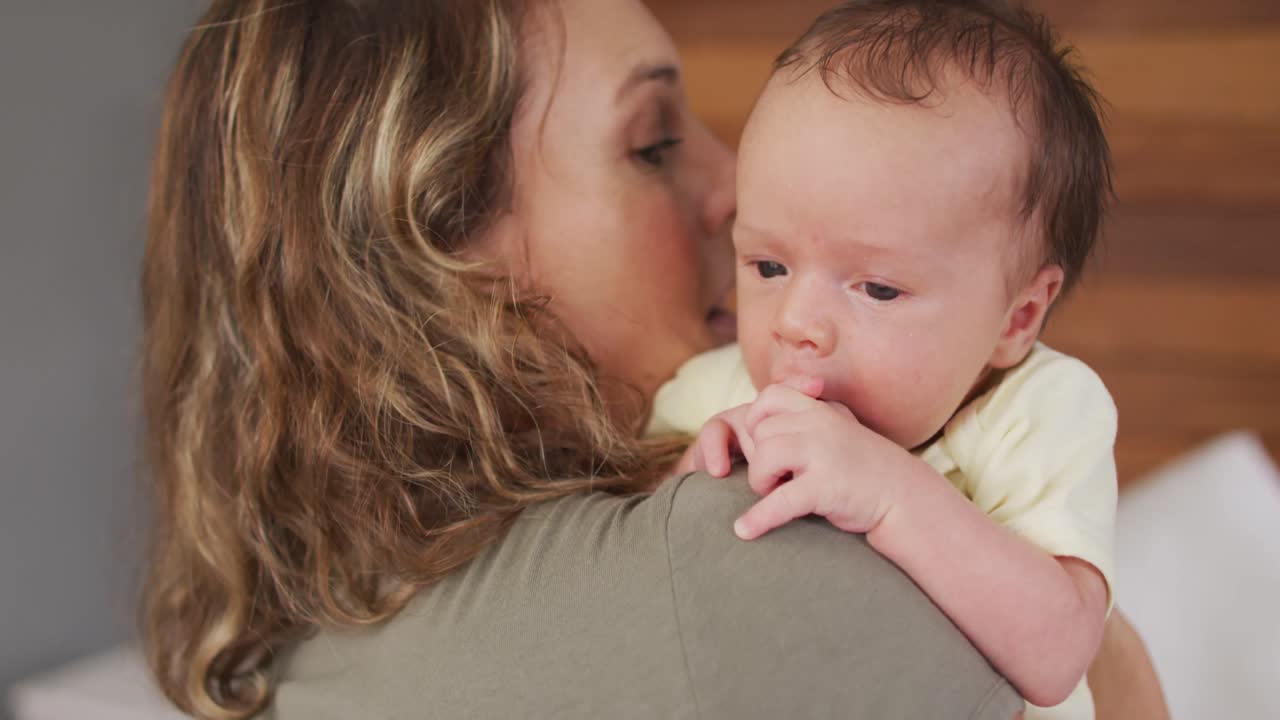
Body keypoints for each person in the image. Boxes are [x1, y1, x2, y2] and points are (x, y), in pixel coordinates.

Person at [137, 1, 1168, 719]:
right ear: (436, 243)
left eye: (878, 284)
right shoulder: (726, 563)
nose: (733, 196)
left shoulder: (320, 607)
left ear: (1018, 315)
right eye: (651, 142)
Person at [652, 2, 1116, 718]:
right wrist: (688, 478)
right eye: (768, 266)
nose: (797, 324)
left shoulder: (1041, 413)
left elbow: (1060, 652)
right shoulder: (716, 394)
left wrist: (888, 491)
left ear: (1018, 317)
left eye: (876, 287)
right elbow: (627, 566)